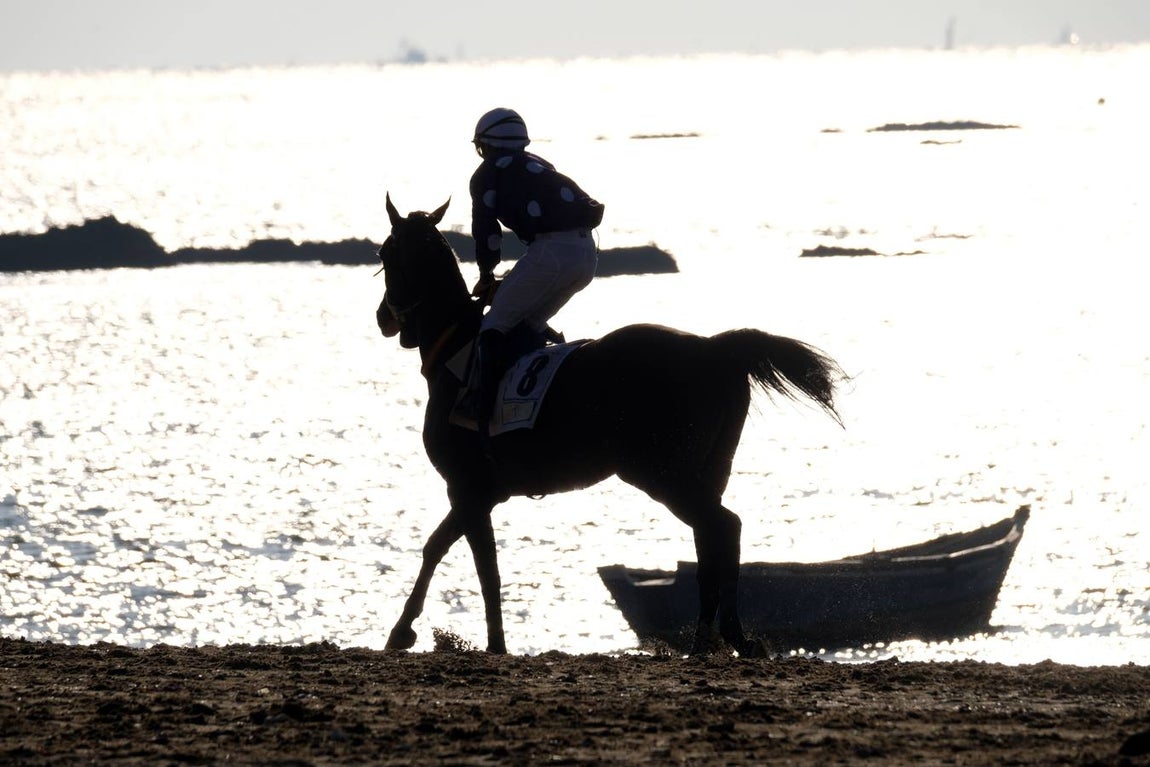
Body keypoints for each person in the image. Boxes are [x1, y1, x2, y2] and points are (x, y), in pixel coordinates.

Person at [466, 107, 604, 443]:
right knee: (528, 325)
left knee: (493, 328)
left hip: (551, 252)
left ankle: (482, 418)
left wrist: (487, 274)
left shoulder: (486, 175)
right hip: (587, 256)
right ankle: (536, 398)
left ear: (485, 145)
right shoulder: (541, 164)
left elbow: (486, 232)